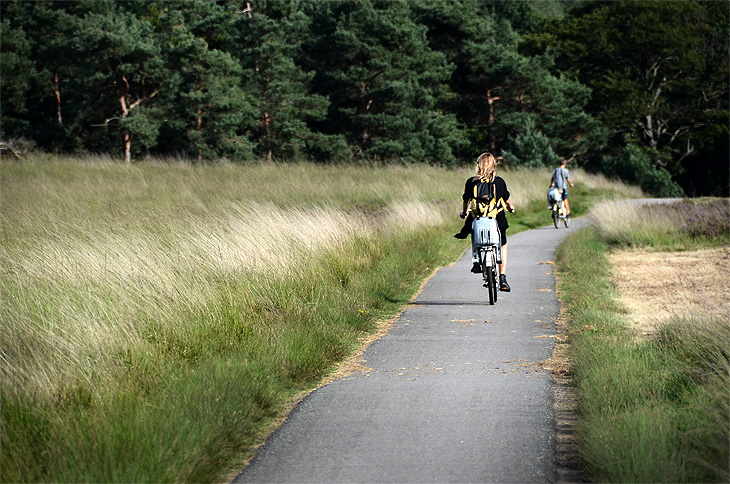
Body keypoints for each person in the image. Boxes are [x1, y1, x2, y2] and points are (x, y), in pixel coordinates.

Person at [454, 152, 515, 292]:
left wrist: (464, 213)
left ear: (478, 165)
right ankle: (503, 277)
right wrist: (510, 207)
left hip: (478, 217)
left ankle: (476, 261)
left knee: (473, 231)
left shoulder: (471, 182)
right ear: (494, 165)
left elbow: (466, 201)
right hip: (496, 217)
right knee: (503, 243)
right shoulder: (499, 182)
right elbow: (507, 199)